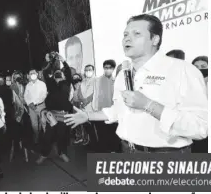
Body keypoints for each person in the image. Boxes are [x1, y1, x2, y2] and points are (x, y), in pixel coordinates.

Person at [65, 14, 208, 153]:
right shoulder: (122, 75)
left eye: (136, 33)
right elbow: (119, 110)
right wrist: (88, 116)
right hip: (127, 150)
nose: (127, 38)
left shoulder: (182, 71)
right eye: (125, 34)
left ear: (155, 39)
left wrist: (149, 105)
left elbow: (201, 127)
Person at [36, 52, 72, 164]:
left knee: (61, 136)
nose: (57, 74)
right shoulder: (50, 83)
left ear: (62, 75)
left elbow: (69, 72)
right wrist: (50, 61)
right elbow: (46, 72)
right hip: (52, 114)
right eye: (55, 73)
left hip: (63, 114)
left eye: (59, 73)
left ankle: (61, 153)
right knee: (48, 136)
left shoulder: (66, 83)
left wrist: (63, 61)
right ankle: (44, 154)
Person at [92, 59, 120, 153]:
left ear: (113, 69)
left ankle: (114, 153)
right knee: (102, 136)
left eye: (110, 68)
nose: (107, 69)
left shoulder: (116, 81)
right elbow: (95, 96)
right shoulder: (98, 80)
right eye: (106, 68)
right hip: (101, 112)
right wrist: (95, 110)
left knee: (114, 135)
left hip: (113, 113)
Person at [72, 65, 96, 146]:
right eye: (86, 70)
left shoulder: (97, 81)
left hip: (93, 108)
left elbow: (96, 93)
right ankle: (89, 141)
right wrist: (83, 100)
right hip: (84, 107)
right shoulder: (83, 81)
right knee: (86, 126)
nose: (88, 71)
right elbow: (79, 92)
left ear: (93, 70)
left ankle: (94, 143)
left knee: (94, 128)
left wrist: (87, 100)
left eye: (90, 70)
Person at [9, 71, 29, 162]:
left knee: (26, 129)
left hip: (24, 109)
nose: (17, 78)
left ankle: (25, 145)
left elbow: (26, 98)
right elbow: (14, 100)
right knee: (16, 129)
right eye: (16, 77)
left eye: (19, 77)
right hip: (16, 111)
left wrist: (24, 101)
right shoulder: (11, 87)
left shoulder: (24, 86)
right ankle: (17, 147)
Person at [24, 69, 47, 145]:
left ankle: (46, 138)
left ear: (37, 74)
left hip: (40, 106)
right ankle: (36, 136)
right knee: (34, 124)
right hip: (31, 107)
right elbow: (26, 96)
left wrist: (35, 103)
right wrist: (29, 104)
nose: (32, 74)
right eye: (31, 73)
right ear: (29, 75)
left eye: (34, 73)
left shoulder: (42, 84)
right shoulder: (28, 85)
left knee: (43, 122)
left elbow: (44, 95)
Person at [191, 55, 208, 153]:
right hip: (193, 131)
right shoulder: (188, 85)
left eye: (203, 66)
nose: (199, 69)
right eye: (196, 67)